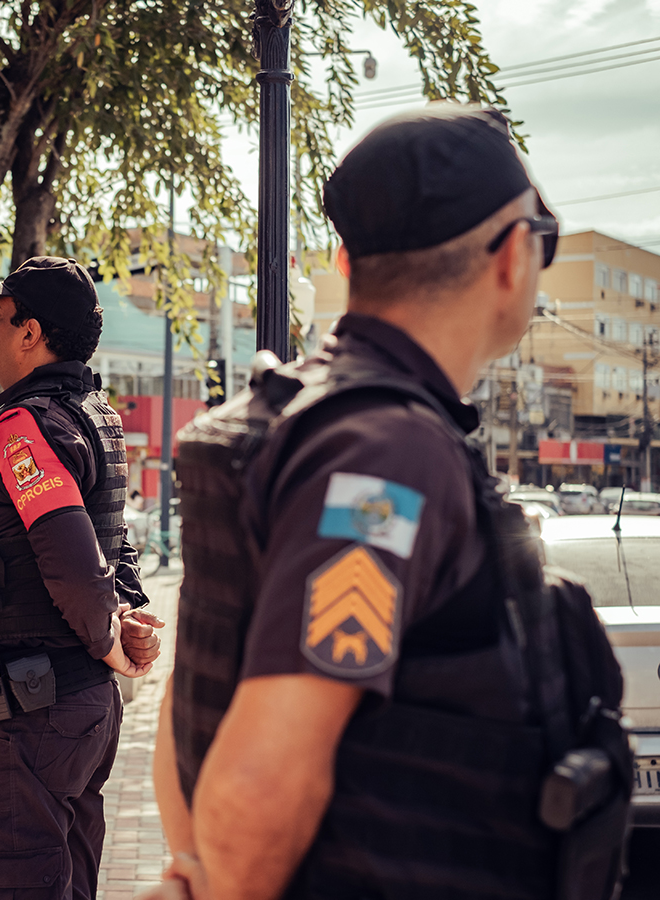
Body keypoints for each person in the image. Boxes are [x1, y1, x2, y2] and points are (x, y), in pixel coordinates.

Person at [142, 105, 631, 900]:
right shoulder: (385, 458)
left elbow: (197, 690)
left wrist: (197, 869)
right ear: (511, 257)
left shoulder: (278, 422)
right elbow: (264, 773)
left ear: (345, 258)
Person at [0, 256, 165, 899]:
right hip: (79, 707)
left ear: (30, 334)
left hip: (29, 713)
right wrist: (127, 622)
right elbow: (115, 537)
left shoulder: (25, 427)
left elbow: (72, 554)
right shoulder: (93, 413)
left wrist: (110, 638)